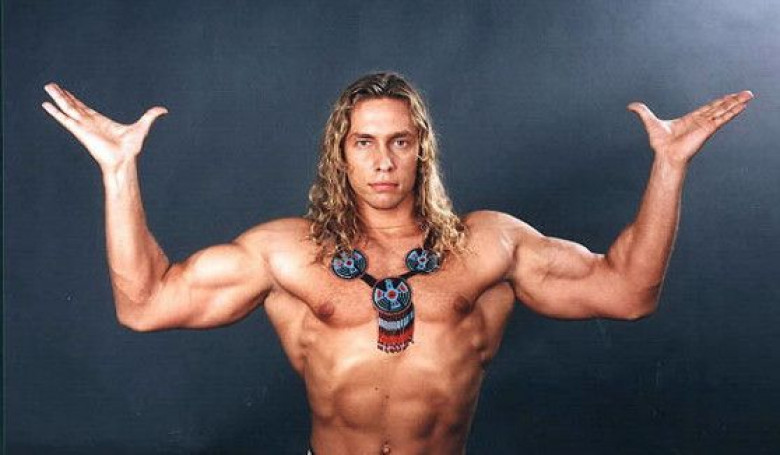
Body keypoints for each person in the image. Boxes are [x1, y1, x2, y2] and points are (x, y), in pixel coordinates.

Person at [42, 73, 753, 454]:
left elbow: (628, 292)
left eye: (400, 141)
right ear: (341, 154)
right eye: (364, 142)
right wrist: (118, 171)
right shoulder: (287, 251)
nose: (382, 160)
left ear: (422, 152)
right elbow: (145, 303)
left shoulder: (489, 245)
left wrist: (668, 167)